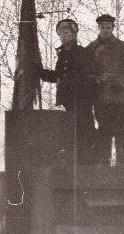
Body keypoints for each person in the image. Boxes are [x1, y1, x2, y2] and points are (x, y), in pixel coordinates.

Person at [38, 18, 98, 164]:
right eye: (60, 33)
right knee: (72, 133)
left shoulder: (82, 53)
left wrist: (71, 84)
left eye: (66, 33)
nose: (63, 36)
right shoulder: (63, 54)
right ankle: (77, 164)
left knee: (84, 131)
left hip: (81, 99)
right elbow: (60, 76)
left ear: (74, 34)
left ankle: (87, 165)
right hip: (68, 100)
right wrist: (39, 72)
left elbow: (87, 76)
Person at [87, 14, 124, 166]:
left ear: (113, 28)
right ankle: (104, 163)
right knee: (103, 129)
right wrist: (96, 79)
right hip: (100, 95)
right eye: (103, 27)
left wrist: (120, 82)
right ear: (98, 28)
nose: (106, 30)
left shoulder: (123, 47)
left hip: (118, 95)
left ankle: (121, 162)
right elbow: (86, 70)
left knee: (120, 128)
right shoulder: (91, 48)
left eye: (109, 27)